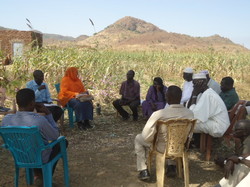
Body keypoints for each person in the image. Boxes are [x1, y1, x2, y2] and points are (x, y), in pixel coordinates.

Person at [1, 88, 63, 181]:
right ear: (32, 103)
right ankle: (45, 174)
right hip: (39, 157)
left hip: (20, 156)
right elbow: (55, 136)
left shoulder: (6, 120)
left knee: (32, 145)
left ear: (17, 103)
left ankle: (37, 173)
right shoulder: (38, 120)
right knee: (62, 142)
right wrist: (48, 114)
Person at [134, 86, 194, 181]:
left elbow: (146, 136)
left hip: (161, 148)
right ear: (180, 97)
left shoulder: (159, 114)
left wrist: (153, 140)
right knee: (174, 138)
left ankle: (143, 170)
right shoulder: (190, 114)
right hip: (180, 146)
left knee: (138, 138)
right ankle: (171, 166)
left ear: (167, 98)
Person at [187, 73, 230, 137]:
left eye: (194, 84)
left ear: (201, 83)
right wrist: (194, 94)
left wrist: (194, 95)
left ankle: (190, 143)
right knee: (191, 123)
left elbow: (194, 115)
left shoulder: (208, 95)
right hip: (216, 123)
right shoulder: (207, 93)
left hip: (219, 127)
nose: (193, 87)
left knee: (189, 124)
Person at [214, 120, 250, 187]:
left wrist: (237, 160)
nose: (233, 131)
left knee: (242, 166)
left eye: (237, 130)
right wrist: (230, 160)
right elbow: (239, 156)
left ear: (245, 132)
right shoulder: (239, 140)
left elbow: (243, 158)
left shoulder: (248, 143)